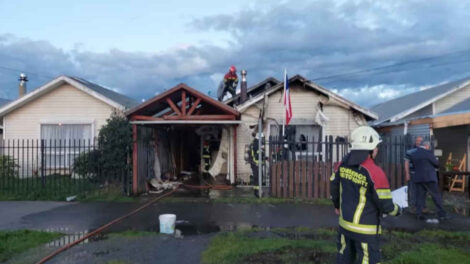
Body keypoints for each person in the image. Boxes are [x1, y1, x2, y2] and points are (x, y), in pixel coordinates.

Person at [330, 126, 402, 264]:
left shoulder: (341, 165)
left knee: (344, 258)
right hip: (366, 231)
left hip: (344, 225)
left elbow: (334, 186)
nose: (377, 150)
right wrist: (398, 210)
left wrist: (336, 205)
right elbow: (385, 205)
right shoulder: (375, 172)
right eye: (376, 147)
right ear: (370, 149)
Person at [407, 141, 448, 221]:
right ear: (426, 146)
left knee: (420, 197)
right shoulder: (428, 153)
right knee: (436, 196)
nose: (429, 148)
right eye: (429, 146)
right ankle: (442, 214)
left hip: (418, 178)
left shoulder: (414, 154)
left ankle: (419, 214)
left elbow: (413, 165)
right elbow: (436, 163)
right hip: (429, 178)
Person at [405, 136, 428, 213]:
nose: (419, 142)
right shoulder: (410, 151)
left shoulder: (426, 151)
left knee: (423, 191)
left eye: (420, 141)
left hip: (423, 174)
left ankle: (423, 207)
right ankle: (413, 207)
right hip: (412, 173)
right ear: (415, 142)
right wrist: (407, 173)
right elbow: (406, 163)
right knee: (413, 191)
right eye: (417, 141)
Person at [249, 131, 264, 197]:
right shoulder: (256, 143)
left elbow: (258, 153)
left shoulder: (255, 143)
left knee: (258, 177)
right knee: (257, 177)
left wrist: (264, 157)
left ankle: (257, 191)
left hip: (256, 163)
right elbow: (257, 154)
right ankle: (257, 193)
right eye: (262, 138)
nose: (263, 139)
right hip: (256, 163)